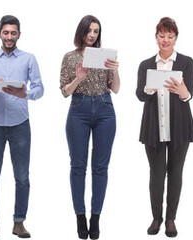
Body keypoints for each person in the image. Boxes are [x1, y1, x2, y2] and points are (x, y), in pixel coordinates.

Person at [0, 15, 43, 239]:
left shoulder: (29, 59)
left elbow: (40, 89)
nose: (9, 37)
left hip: (20, 123)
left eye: (13, 33)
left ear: (19, 35)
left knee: (22, 176)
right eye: (6, 32)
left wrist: (26, 94)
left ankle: (19, 223)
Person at [59, 15, 120, 240]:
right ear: (81, 32)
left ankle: (96, 218)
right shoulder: (70, 57)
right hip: (79, 109)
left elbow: (116, 89)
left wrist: (114, 69)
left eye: (96, 31)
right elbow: (64, 91)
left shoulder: (105, 57)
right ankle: (80, 217)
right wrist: (78, 77)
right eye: (89, 30)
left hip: (105, 108)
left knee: (101, 167)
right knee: (77, 166)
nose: (92, 35)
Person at [136, 17, 193, 238]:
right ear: (156, 37)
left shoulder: (187, 62)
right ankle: (156, 217)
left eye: (170, 36)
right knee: (157, 174)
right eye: (162, 36)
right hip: (154, 126)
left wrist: (184, 93)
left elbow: (189, 95)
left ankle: (171, 218)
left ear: (176, 38)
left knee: (176, 173)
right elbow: (140, 94)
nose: (166, 40)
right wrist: (150, 88)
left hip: (179, 127)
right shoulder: (146, 65)